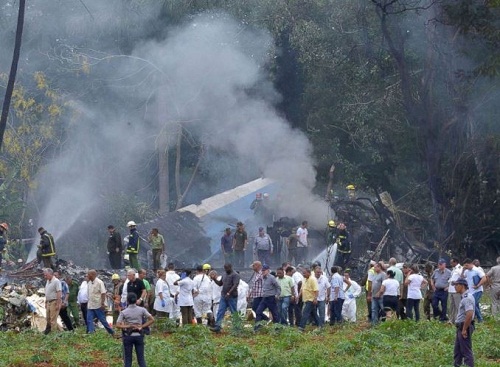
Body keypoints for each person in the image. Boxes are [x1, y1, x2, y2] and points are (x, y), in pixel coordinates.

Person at [116, 292, 155, 367]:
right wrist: (142, 326)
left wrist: (128, 326)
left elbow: (118, 325)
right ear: (136, 300)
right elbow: (152, 319)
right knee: (141, 359)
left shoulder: (124, 312)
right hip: (139, 335)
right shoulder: (142, 310)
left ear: (127, 301)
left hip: (128, 337)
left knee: (128, 360)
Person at [210, 263, 240, 333]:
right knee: (220, 311)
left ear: (231, 267)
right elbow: (220, 284)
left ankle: (237, 328)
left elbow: (235, 285)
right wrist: (214, 279)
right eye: (225, 268)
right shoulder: (224, 274)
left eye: (227, 268)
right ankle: (217, 326)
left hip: (232, 296)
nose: (226, 269)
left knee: (234, 312)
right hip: (224, 296)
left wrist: (229, 292)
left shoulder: (235, 275)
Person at [452, 278, 475, 367]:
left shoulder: (467, 298)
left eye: (456, 285)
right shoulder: (465, 297)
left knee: (466, 351)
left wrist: (464, 329)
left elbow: (469, 314)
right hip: (461, 327)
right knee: (457, 351)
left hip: (464, 326)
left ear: (462, 286)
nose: (455, 287)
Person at [86, 269, 114, 335]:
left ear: (93, 275)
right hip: (90, 305)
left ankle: (111, 332)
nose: (87, 276)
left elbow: (103, 293)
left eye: (88, 274)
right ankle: (91, 333)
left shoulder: (99, 282)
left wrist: (102, 303)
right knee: (89, 319)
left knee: (102, 320)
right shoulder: (89, 283)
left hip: (98, 305)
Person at [254, 264, 280, 331]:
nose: (262, 272)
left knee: (275, 314)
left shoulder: (272, 278)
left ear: (268, 270)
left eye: (264, 270)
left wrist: (277, 295)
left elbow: (278, 287)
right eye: (262, 270)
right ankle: (257, 328)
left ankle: (277, 329)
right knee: (258, 312)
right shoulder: (263, 277)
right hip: (264, 298)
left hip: (271, 298)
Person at [462, 258, 486, 322]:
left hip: (477, 290)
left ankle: (480, 319)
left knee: (473, 304)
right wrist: (463, 270)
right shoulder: (467, 271)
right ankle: (477, 318)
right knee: (476, 304)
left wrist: (478, 285)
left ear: (471, 264)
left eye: (467, 265)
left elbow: (484, 278)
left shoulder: (477, 270)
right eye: (465, 266)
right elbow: (462, 277)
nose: (466, 267)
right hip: (471, 291)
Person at [43, 268, 61, 335]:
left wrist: (58, 303)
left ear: (51, 274)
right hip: (48, 302)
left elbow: (59, 292)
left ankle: (54, 335)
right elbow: (47, 292)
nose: (45, 277)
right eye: (44, 275)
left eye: (46, 275)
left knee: (53, 320)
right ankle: (51, 331)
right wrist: (45, 302)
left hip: (54, 301)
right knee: (48, 318)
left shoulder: (56, 281)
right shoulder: (48, 281)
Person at [448, 257, 463, 324]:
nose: (451, 264)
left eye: (452, 262)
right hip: (451, 289)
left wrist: (457, 283)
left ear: (455, 262)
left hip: (456, 290)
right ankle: (451, 319)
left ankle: (458, 319)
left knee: (458, 305)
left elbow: (462, 277)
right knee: (451, 306)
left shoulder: (460, 268)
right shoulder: (453, 269)